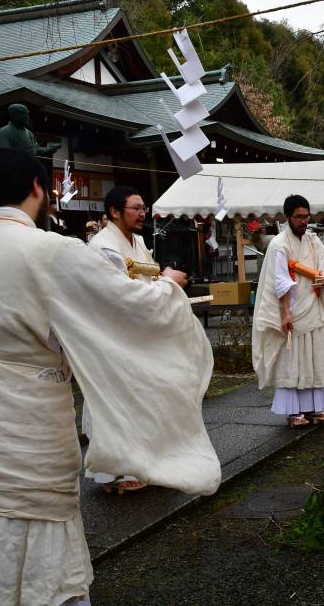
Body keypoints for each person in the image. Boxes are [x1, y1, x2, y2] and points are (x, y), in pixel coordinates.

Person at [0, 148, 219, 604]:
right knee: (39, 536)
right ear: (39, 188)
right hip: (27, 426)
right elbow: (125, 307)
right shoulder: (50, 250)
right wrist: (167, 289)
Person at [84, 185, 185, 493]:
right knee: (117, 402)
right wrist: (167, 282)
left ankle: (141, 462)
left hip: (140, 334)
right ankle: (116, 470)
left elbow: (146, 281)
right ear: (115, 211)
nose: (143, 213)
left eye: (144, 208)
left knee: (141, 399)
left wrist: (162, 284)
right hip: (114, 336)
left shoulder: (138, 242)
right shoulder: (103, 247)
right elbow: (121, 296)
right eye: (136, 208)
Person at [252, 195, 324, 428]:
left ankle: (316, 408)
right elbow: (280, 281)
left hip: (314, 306)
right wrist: (285, 314)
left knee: (316, 357)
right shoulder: (279, 244)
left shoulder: (314, 242)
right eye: (299, 217)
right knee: (293, 361)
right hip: (293, 309)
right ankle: (294, 412)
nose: (304, 221)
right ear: (288, 218)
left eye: (306, 216)